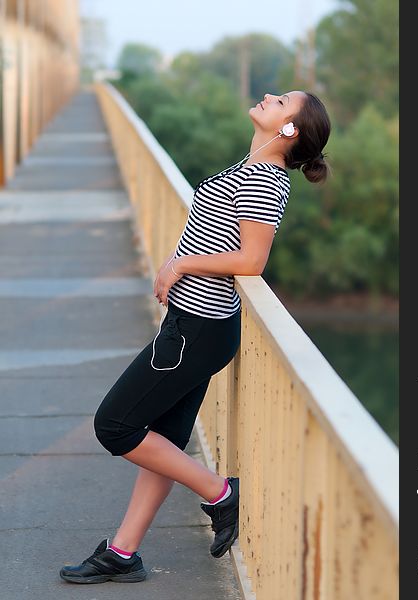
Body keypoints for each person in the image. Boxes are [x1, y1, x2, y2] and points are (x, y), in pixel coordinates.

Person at [59, 90, 331, 584]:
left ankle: (221, 494)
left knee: (115, 426)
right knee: (162, 441)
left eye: (282, 101)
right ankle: (123, 553)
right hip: (193, 324)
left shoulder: (264, 179)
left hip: (199, 329)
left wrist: (181, 262)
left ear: (289, 130)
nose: (269, 96)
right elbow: (217, 233)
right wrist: (176, 261)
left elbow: (250, 263)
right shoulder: (248, 164)